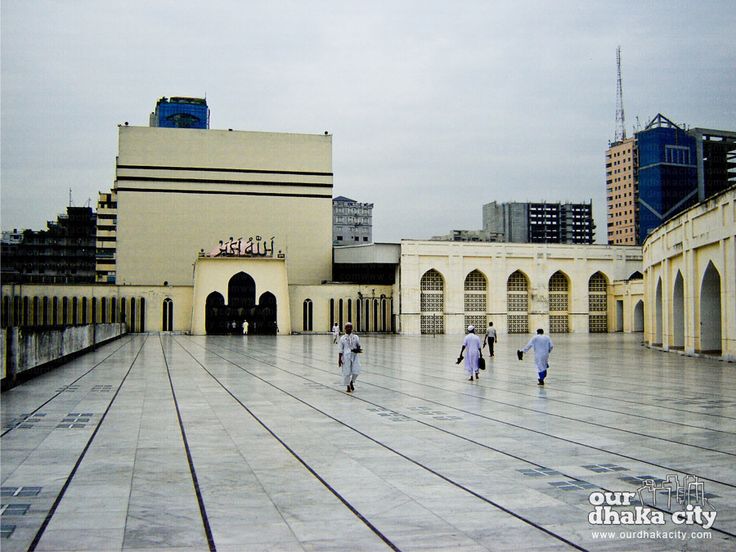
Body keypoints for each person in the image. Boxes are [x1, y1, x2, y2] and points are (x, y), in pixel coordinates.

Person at [338, 322, 362, 392]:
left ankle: (352, 381)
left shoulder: (355, 337)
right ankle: (348, 386)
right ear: (345, 328)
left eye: (350, 327)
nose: (349, 328)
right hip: (346, 357)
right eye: (347, 327)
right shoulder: (342, 338)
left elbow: (358, 345)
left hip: (354, 356)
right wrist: (339, 359)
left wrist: (357, 349)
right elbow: (340, 349)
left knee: (356, 370)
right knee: (347, 371)